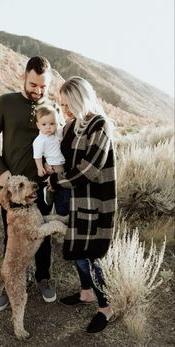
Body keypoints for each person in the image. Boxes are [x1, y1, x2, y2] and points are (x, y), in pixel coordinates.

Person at [0, 56, 57, 311]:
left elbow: (56, 142)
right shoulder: (6, 103)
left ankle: (43, 277)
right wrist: (1, 172)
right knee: (11, 239)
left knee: (44, 236)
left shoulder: (50, 109)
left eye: (43, 86)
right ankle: (10, 283)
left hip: (41, 189)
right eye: (34, 84)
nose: (38, 91)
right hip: (13, 192)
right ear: (24, 76)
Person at [47, 76, 117, 333]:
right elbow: (60, 157)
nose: (64, 110)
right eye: (61, 105)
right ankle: (86, 292)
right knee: (78, 253)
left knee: (91, 256)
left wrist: (56, 179)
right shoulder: (70, 126)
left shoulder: (100, 125)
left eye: (68, 104)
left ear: (82, 100)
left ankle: (105, 308)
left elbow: (88, 170)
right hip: (72, 201)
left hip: (92, 202)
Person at [33, 104, 65, 177]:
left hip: (63, 161)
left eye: (52, 123)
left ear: (56, 123)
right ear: (38, 125)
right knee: (61, 178)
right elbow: (37, 156)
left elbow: (62, 127)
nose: (48, 127)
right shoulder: (40, 140)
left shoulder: (57, 132)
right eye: (44, 124)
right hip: (54, 164)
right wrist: (40, 168)